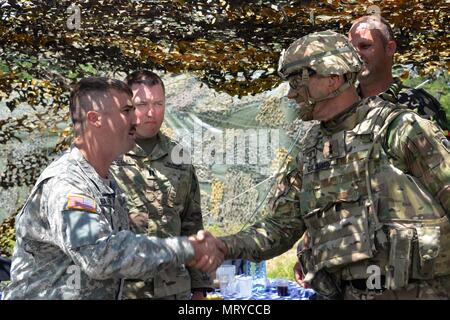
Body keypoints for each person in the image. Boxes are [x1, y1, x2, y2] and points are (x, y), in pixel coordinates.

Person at [216, 30, 450, 299]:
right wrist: (221, 245)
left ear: (333, 79)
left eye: (297, 82)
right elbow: (279, 229)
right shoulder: (310, 150)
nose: (291, 95)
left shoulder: (398, 129)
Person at [4, 77, 224, 300]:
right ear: (95, 119)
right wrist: (187, 248)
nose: (135, 120)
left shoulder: (105, 183)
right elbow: (99, 254)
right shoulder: (67, 184)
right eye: (127, 111)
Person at [110, 70, 213, 300]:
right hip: (122, 291)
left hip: (173, 290)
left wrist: (200, 289)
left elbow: (192, 224)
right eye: (142, 104)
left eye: (158, 103)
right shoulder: (107, 155)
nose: (151, 112)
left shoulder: (179, 157)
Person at [348, 15, 449, 135]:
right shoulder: (342, 106)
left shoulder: (419, 103)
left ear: (390, 48)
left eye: (365, 46)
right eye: (350, 48)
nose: (356, 55)